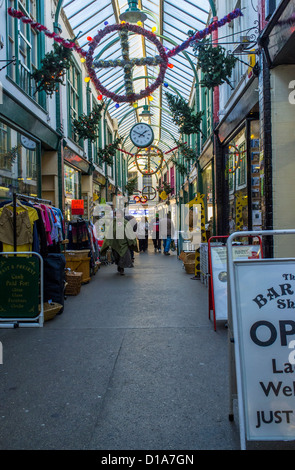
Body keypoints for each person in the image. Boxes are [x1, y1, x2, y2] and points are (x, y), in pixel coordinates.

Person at [100, 209, 138, 275]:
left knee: (123, 255)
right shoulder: (113, 223)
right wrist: (107, 241)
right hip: (115, 243)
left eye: (119, 214)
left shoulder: (125, 222)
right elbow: (109, 232)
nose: (118, 215)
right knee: (116, 256)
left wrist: (133, 241)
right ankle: (119, 266)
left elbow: (129, 232)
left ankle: (121, 269)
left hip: (124, 243)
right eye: (116, 214)